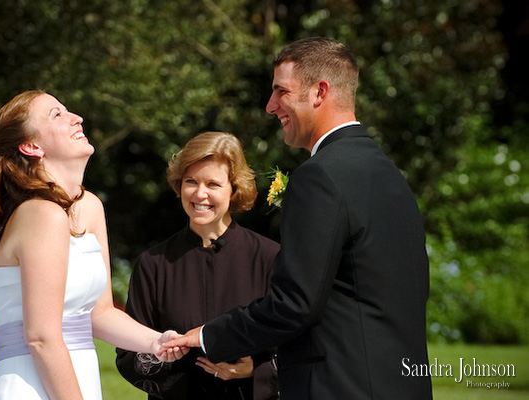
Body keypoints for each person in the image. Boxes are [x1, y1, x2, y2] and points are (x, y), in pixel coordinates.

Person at [165, 37, 433, 399]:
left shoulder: (319, 176)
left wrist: (209, 335)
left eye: (281, 91)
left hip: (341, 386)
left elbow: (295, 304)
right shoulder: (389, 176)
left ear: (319, 92)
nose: (270, 106)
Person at [0, 90, 187, 400]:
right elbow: (40, 338)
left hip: (74, 380)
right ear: (31, 146)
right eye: (56, 115)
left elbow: (100, 312)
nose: (75, 117)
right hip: (30, 386)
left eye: (68, 111)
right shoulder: (41, 214)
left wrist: (156, 342)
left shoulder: (89, 206)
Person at [116, 131, 280, 400]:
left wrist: (255, 370)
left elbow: (300, 342)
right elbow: (127, 354)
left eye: (213, 184)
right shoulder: (153, 264)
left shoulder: (270, 257)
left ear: (234, 189)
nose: (200, 194)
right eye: (191, 181)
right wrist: (166, 357)